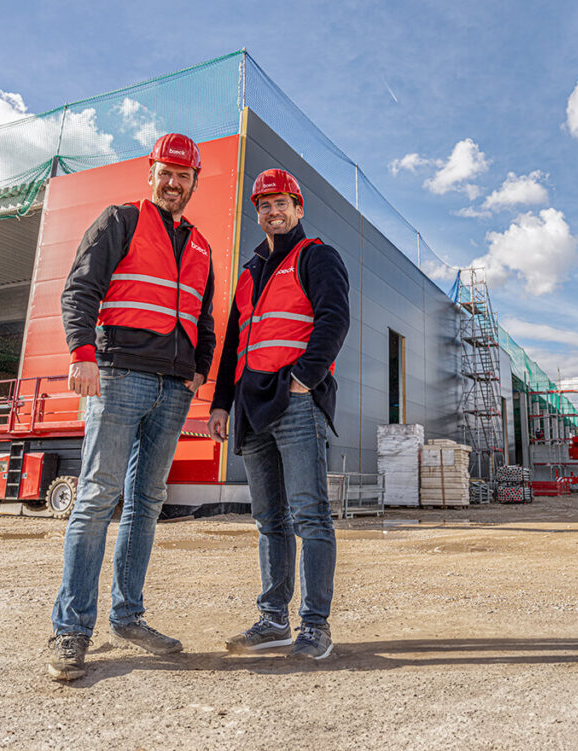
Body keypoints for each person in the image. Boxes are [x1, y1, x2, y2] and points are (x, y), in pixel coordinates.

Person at [47, 133, 216, 681]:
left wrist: (197, 374)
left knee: (147, 503)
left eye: (183, 175)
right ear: (151, 173)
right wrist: (82, 354)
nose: (173, 183)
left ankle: (129, 617)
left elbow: (204, 320)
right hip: (119, 376)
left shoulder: (201, 247)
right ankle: (72, 629)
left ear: (194, 181)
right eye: (165, 172)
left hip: (172, 390)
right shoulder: (119, 220)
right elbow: (80, 290)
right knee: (96, 498)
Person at [207, 168, 349, 660]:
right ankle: (273, 620)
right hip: (251, 408)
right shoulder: (248, 273)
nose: (273, 211)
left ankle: (315, 625)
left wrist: (304, 378)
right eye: (264, 205)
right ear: (258, 212)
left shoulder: (317, 257)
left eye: (282, 203)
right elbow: (233, 346)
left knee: (310, 515)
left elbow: (334, 319)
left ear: (299, 208)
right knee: (269, 519)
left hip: (294, 402)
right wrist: (221, 402)